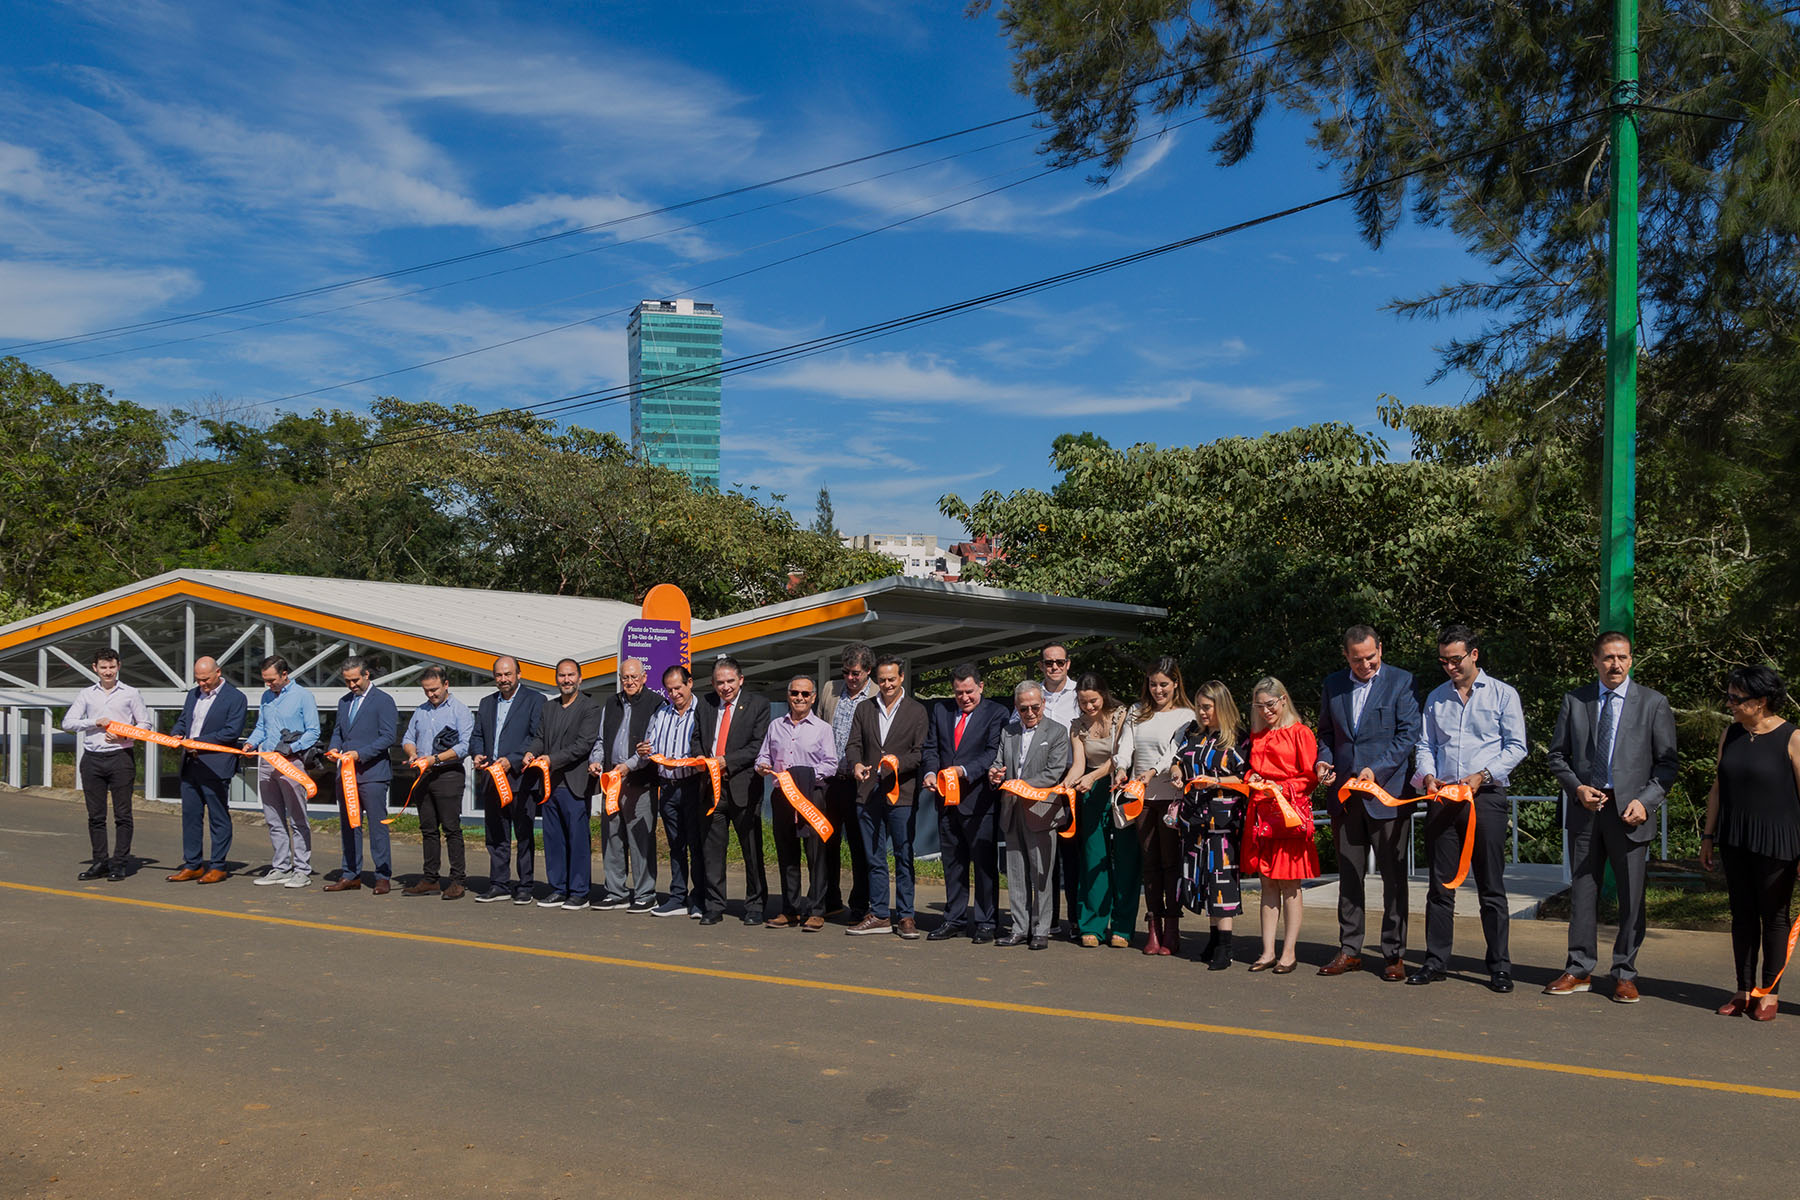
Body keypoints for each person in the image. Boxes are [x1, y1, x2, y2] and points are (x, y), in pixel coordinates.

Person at [1543, 632, 1679, 1002]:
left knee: (1631, 896)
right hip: (1587, 809)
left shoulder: (1653, 703)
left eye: (1621, 657)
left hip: (1630, 812)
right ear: (1595, 661)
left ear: (1631, 660)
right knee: (1583, 892)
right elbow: (1558, 756)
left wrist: (1646, 801)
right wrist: (1576, 789)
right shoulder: (1576, 700)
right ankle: (1579, 969)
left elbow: (1667, 764)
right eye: (1607, 658)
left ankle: (1624, 972)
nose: (1615, 664)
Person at [1408, 625, 1528, 992]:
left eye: (1455, 660)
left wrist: (1484, 774)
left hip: (1486, 797)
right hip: (1443, 797)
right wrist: (1427, 776)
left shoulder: (1503, 695)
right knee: (1440, 886)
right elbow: (1425, 745)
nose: (1449, 667)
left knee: (1491, 885)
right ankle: (1435, 960)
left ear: (1474, 655)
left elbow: (1517, 746)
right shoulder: (1436, 698)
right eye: (1443, 661)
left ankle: (1500, 966)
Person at [1314, 625, 1422, 982]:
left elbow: (1408, 734)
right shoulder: (1334, 684)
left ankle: (1394, 954)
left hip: (1386, 795)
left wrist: (1376, 771)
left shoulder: (1401, 681)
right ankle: (1350, 949)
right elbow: (1326, 734)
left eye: (1371, 657)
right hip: (1345, 797)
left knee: (1393, 877)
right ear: (1345, 656)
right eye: (1358, 659)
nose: (1366, 665)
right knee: (1349, 875)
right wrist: (1323, 761)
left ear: (1381, 650)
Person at [1701, 665, 1800, 1021]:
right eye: (1728, 696)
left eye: (1736, 698)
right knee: (1742, 916)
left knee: (1774, 917)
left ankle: (1768, 993)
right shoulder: (1731, 734)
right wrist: (1708, 836)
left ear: (1760, 702)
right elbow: (1717, 788)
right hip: (1734, 838)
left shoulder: (1792, 737)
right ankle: (1743, 990)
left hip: (1778, 841)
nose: (1729, 704)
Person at [920, 662, 1008, 942]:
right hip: (946, 801)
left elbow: (992, 753)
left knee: (983, 866)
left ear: (981, 687)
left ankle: (986, 922)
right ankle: (954, 919)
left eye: (969, 691)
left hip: (979, 802)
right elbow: (932, 747)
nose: (964, 697)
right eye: (959, 692)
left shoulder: (997, 713)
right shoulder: (941, 711)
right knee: (952, 863)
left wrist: (963, 771)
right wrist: (932, 773)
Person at [845, 654, 929, 938]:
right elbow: (853, 744)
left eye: (892, 679)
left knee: (904, 856)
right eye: (881, 680)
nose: (887, 684)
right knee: (874, 857)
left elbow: (920, 753)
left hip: (902, 795)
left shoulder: (917, 711)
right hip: (868, 795)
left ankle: (906, 916)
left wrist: (896, 764)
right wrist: (855, 763)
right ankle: (880, 913)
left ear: (901, 678)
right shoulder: (864, 709)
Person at [1240, 677, 1320, 972]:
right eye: (1259, 706)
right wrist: (1254, 780)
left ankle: (1288, 952)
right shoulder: (1258, 734)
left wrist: (1282, 788)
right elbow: (1250, 769)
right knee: (1267, 884)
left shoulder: (1300, 733)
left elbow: (1309, 776)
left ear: (1283, 700)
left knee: (1290, 885)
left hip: (1288, 815)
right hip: (1262, 814)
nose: (1264, 711)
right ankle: (1267, 951)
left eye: (1269, 705)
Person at [990, 681, 1074, 950]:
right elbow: (998, 762)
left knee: (1041, 873)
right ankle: (1018, 928)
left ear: (1043, 704)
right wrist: (995, 774)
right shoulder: (1008, 731)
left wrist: (1022, 785)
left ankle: (1041, 928)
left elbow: (1054, 771)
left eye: (1035, 707)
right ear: (1016, 707)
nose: (1029, 712)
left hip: (1041, 810)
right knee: (1015, 872)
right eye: (1024, 708)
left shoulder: (1058, 732)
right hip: (1011, 810)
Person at [1124, 656, 1195, 955]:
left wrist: (1153, 772)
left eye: (1164, 684)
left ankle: (1172, 927)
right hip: (1141, 798)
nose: (1158, 690)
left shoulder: (1186, 715)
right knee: (1149, 863)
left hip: (1171, 799)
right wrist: (1120, 768)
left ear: (1175, 683)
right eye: (1153, 684)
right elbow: (1127, 745)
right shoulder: (1136, 711)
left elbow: (1173, 752)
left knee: (1170, 863)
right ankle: (1153, 925)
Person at [755, 673, 838, 930]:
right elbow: (762, 756)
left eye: (805, 694)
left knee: (816, 856)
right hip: (782, 797)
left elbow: (831, 764)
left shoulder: (823, 729)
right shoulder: (775, 726)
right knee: (787, 854)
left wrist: (807, 775)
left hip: (811, 796)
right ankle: (790, 910)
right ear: (788, 696)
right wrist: (762, 766)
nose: (799, 698)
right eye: (794, 693)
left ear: (813, 698)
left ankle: (815, 910)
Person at [694, 656, 771, 926]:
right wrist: (702, 760)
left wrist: (727, 761)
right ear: (713, 683)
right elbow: (696, 739)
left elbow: (757, 745)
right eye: (719, 682)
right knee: (712, 851)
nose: (725, 687)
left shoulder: (758, 705)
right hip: (711, 789)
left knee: (751, 850)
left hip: (743, 787)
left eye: (729, 681)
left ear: (741, 680)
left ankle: (755, 905)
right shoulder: (704, 704)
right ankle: (714, 905)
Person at [1176, 679, 1247, 969]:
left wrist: (1215, 780)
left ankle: (1226, 947)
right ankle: (1214, 937)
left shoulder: (1239, 738)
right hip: (1195, 818)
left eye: (1207, 708)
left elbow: (1247, 778)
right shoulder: (1194, 733)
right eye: (1199, 707)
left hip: (1223, 820)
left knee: (1222, 878)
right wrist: (1176, 773)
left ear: (1221, 706)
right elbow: (1179, 760)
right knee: (1204, 879)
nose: (1202, 713)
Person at [62, 647, 149, 882]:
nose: (108, 672)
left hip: (120, 757)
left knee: (123, 814)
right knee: (95, 816)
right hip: (92, 758)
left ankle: (120, 863)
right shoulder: (86, 694)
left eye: (112, 667)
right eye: (103, 667)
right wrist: (94, 723)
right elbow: (68, 723)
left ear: (118, 666)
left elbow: (145, 725)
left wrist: (123, 735)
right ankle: (100, 861)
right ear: (95, 668)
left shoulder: (131, 693)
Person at [1065, 673, 1138, 949]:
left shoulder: (1122, 716)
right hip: (1092, 794)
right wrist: (1067, 783)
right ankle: (1093, 925)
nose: (1089, 707)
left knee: (1126, 860)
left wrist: (1091, 777)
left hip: (1121, 791)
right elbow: (1077, 764)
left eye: (1093, 701)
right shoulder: (1077, 726)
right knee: (1093, 859)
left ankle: (1122, 926)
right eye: (1083, 702)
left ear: (1104, 695)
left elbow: (1118, 758)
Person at [587, 656, 662, 912]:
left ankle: (645, 893)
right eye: (625, 677)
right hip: (611, 781)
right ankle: (615, 891)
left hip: (640, 783)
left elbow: (651, 747)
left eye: (633, 677)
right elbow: (600, 739)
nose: (629, 682)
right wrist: (597, 760)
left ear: (644, 678)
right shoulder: (611, 703)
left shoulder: (656, 704)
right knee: (612, 838)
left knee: (640, 839)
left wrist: (628, 766)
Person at [166, 656, 248, 885]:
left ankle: (218, 866)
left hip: (216, 766)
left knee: (218, 817)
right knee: (190, 816)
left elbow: (231, 732)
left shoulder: (236, 698)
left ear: (218, 672)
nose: (201, 684)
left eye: (205, 679)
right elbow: (184, 721)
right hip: (190, 764)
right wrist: (177, 734)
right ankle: (192, 864)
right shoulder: (193, 694)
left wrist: (198, 742)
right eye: (198, 679)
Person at [469, 656, 543, 904]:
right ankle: (499, 883)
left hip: (520, 779)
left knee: (523, 835)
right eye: (499, 675)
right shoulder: (486, 703)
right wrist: (477, 753)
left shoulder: (535, 700)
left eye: (508, 674)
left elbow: (535, 737)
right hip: (492, 779)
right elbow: (477, 735)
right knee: (496, 834)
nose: (503, 679)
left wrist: (512, 759)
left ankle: (525, 885)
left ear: (519, 675)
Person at [529, 658, 602, 910]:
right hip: (549, 786)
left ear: (580, 679)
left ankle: (580, 892)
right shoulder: (548, 708)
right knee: (553, 839)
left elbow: (583, 745)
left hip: (575, 784)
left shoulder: (590, 708)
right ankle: (558, 888)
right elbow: (540, 738)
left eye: (571, 675)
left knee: (577, 840)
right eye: (562, 676)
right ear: (556, 679)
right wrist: (531, 752)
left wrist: (551, 759)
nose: (566, 680)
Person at [242, 654, 320, 889]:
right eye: (265, 680)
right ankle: (280, 867)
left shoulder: (303, 696)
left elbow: (313, 731)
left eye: (272, 680)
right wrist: (250, 743)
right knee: (273, 818)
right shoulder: (266, 696)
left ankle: (302, 869)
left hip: (291, 763)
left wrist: (292, 747)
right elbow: (261, 727)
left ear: (285, 674)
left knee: (297, 818)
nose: (269, 684)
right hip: (266, 762)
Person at [323, 656, 398, 894]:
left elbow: (388, 737)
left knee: (377, 827)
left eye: (355, 680)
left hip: (372, 773)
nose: (352, 685)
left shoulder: (383, 701)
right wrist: (334, 747)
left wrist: (359, 754)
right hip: (346, 775)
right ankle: (350, 874)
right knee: (349, 825)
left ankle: (382, 875)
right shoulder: (344, 701)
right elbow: (338, 732)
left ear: (367, 675)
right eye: (347, 681)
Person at [399, 665, 474, 900]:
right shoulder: (420, 711)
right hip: (423, 775)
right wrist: (412, 754)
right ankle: (430, 878)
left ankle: (457, 881)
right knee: (428, 829)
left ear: (446, 685)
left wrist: (435, 759)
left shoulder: (460, 711)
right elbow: (408, 737)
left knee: (451, 828)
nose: (431, 694)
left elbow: (464, 746)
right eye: (426, 690)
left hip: (448, 774)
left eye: (434, 690)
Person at [817, 642, 877, 920]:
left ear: (868, 671)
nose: (850, 679)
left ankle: (860, 903)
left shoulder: (878, 695)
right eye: (846, 673)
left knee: (859, 845)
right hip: (831, 780)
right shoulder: (830, 690)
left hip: (860, 781)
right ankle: (830, 899)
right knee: (827, 841)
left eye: (856, 674)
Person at [640, 664, 705, 918]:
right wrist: (644, 750)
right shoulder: (661, 714)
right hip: (667, 787)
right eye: (669, 690)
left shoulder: (703, 712)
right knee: (675, 846)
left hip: (692, 786)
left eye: (678, 687)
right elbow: (650, 743)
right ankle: (678, 896)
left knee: (696, 845)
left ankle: (699, 898)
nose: (674, 693)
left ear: (690, 683)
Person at [1038, 642, 1081, 938]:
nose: (1054, 667)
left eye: (1059, 662)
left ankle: (1077, 919)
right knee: (1046, 854)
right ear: (1041, 665)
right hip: (1041, 782)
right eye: (1048, 662)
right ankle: (1049, 918)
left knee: (1073, 854)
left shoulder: (1079, 695)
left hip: (1073, 778)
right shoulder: (1031, 694)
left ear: (1068, 664)